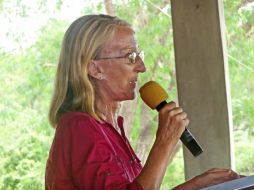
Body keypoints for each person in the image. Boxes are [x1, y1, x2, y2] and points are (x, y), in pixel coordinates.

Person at [45, 14, 240, 190]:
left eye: (139, 55)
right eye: (130, 57)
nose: (142, 67)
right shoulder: (79, 127)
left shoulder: (110, 127)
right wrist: (165, 141)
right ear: (95, 69)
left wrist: (197, 185)